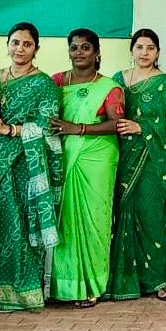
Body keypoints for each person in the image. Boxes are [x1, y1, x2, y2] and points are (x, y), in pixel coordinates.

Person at [0, 22, 63, 312]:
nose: (20, 49)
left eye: (27, 44)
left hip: (23, 162)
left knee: (18, 224)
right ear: (8, 45)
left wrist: (9, 128)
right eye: (15, 43)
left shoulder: (44, 84)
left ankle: (22, 291)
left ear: (37, 48)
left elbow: (47, 126)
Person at [108, 29, 166, 301]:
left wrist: (142, 127)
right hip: (123, 159)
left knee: (153, 217)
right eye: (139, 47)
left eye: (150, 48)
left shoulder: (165, 83)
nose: (144, 52)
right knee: (124, 215)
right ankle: (128, 280)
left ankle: (161, 279)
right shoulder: (117, 81)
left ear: (158, 52)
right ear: (132, 50)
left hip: (154, 162)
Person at [49, 28, 123, 308]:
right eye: (74, 48)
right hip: (65, 155)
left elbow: (117, 123)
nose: (79, 52)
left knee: (95, 220)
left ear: (97, 53)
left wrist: (77, 129)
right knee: (65, 221)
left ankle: (93, 285)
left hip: (97, 158)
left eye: (85, 48)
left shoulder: (110, 88)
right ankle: (65, 286)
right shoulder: (56, 82)